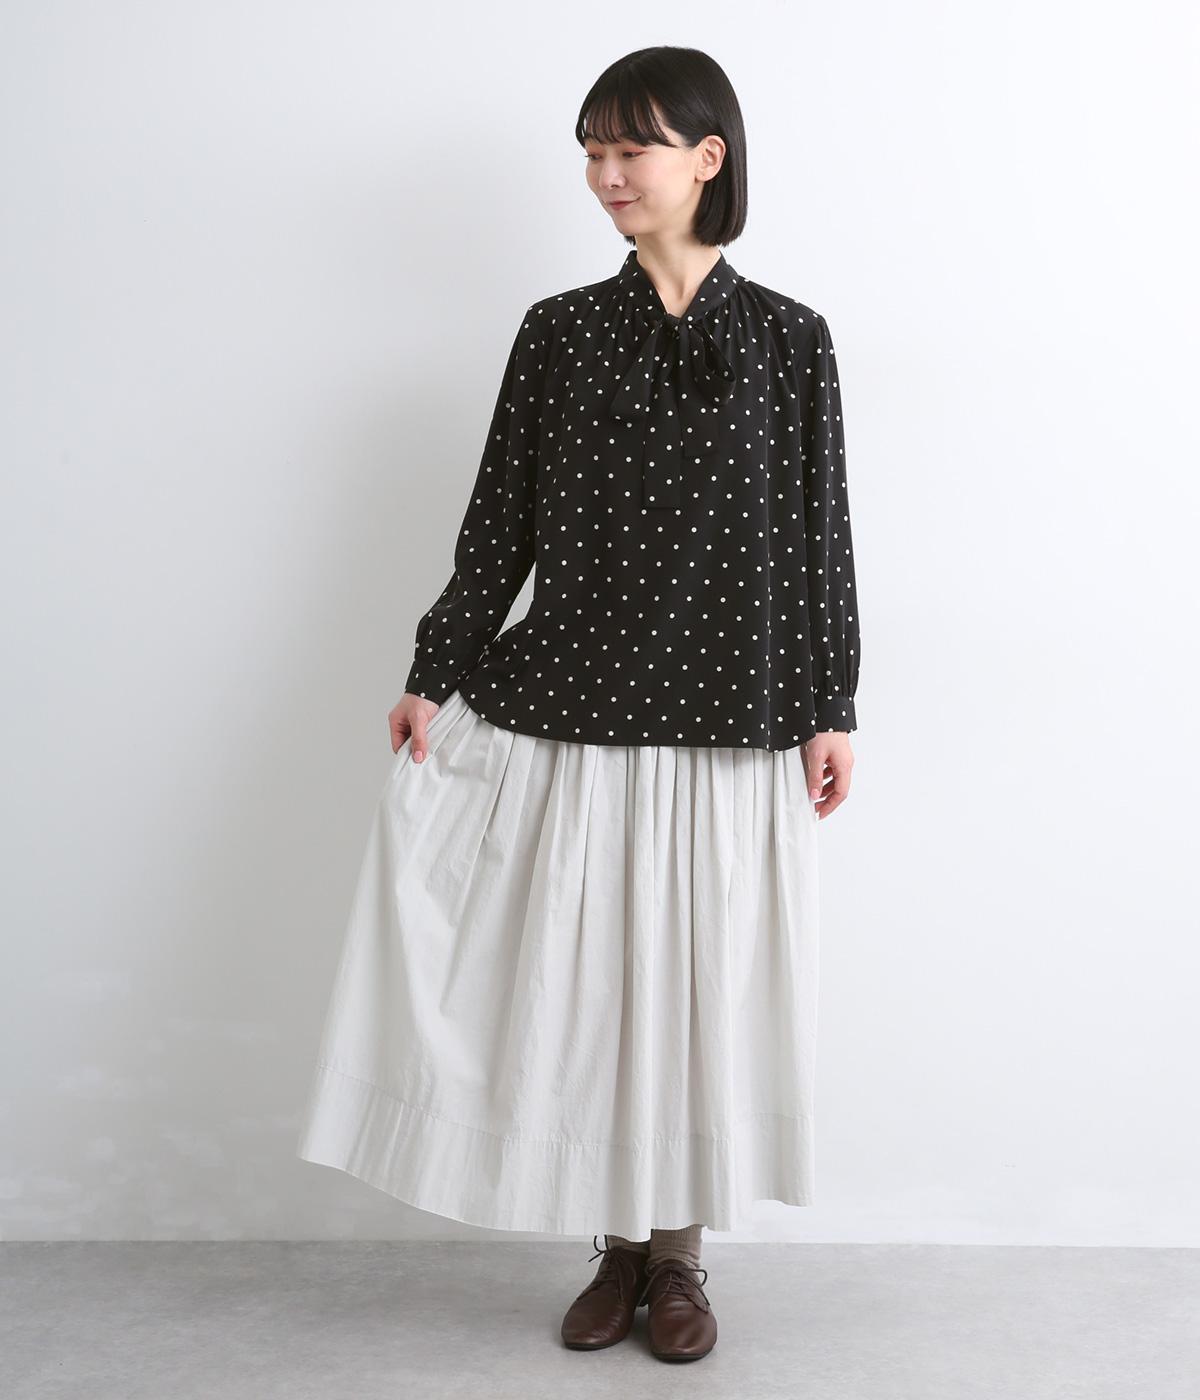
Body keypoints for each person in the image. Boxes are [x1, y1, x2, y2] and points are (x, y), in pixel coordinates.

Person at [295, 45, 860, 1365]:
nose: (606, 175)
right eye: (592, 153)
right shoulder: (557, 332)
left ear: (707, 158)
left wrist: (831, 702)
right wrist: (436, 668)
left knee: (696, 998)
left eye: (631, 150)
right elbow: (499, 521)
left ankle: (681, 1260)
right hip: (576, 703)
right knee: (601, 990)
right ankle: (619, 1252)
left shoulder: (792, 339)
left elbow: (820, 534)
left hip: (731, 717)